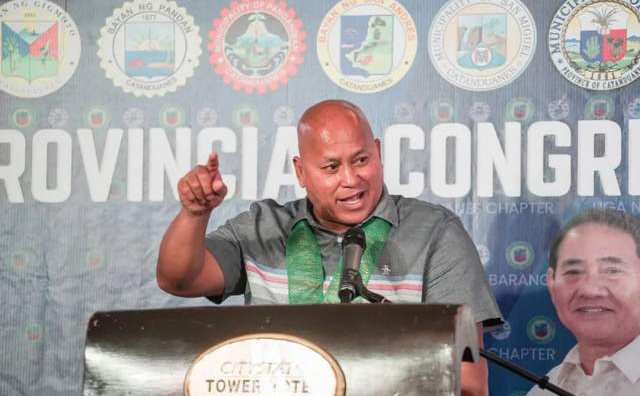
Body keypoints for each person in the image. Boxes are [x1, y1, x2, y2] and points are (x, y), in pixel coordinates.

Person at [157, 99, 501, 396]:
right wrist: (194, 213)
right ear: (301, 172)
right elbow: (179, 279)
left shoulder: (436, 232)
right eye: (332, 167)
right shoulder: (262, 227)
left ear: (378, 153)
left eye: (361, 160)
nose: (351, 179)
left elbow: (468, 381)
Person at [527, 208, 640, 396]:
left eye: (612, 271)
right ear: (551, 284)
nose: (590, 290)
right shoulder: (544, 391)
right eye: (573, 272)